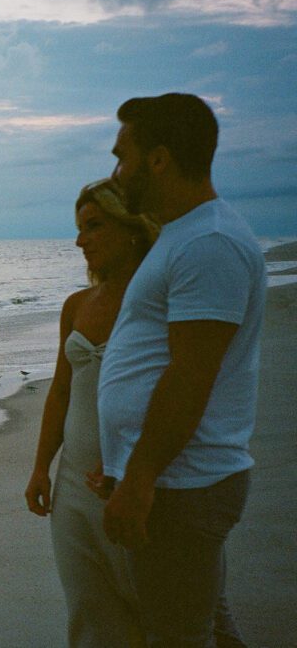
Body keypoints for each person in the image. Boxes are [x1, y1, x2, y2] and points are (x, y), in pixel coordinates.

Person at [97, 93, 266, 647]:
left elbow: (191, 377)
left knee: (177, 637)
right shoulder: (186, 234)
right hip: (171, 478)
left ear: (160, 159)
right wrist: (126, 465)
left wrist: (140, 478)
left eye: (123, 156)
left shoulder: (209, 242)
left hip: (181, 485)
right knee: (197, 627)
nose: (116, 171)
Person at [25, 178, 158, 648]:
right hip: (72, 488)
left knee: (160, 615)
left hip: (136, 483)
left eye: (94, 226)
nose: (81, 240)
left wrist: (136, 468)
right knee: (90, 615)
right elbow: (61, 392)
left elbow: (180, 392)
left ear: (132, 229)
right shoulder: (76, 306)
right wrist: (42, 467)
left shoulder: (158, 303)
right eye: (79, 228)